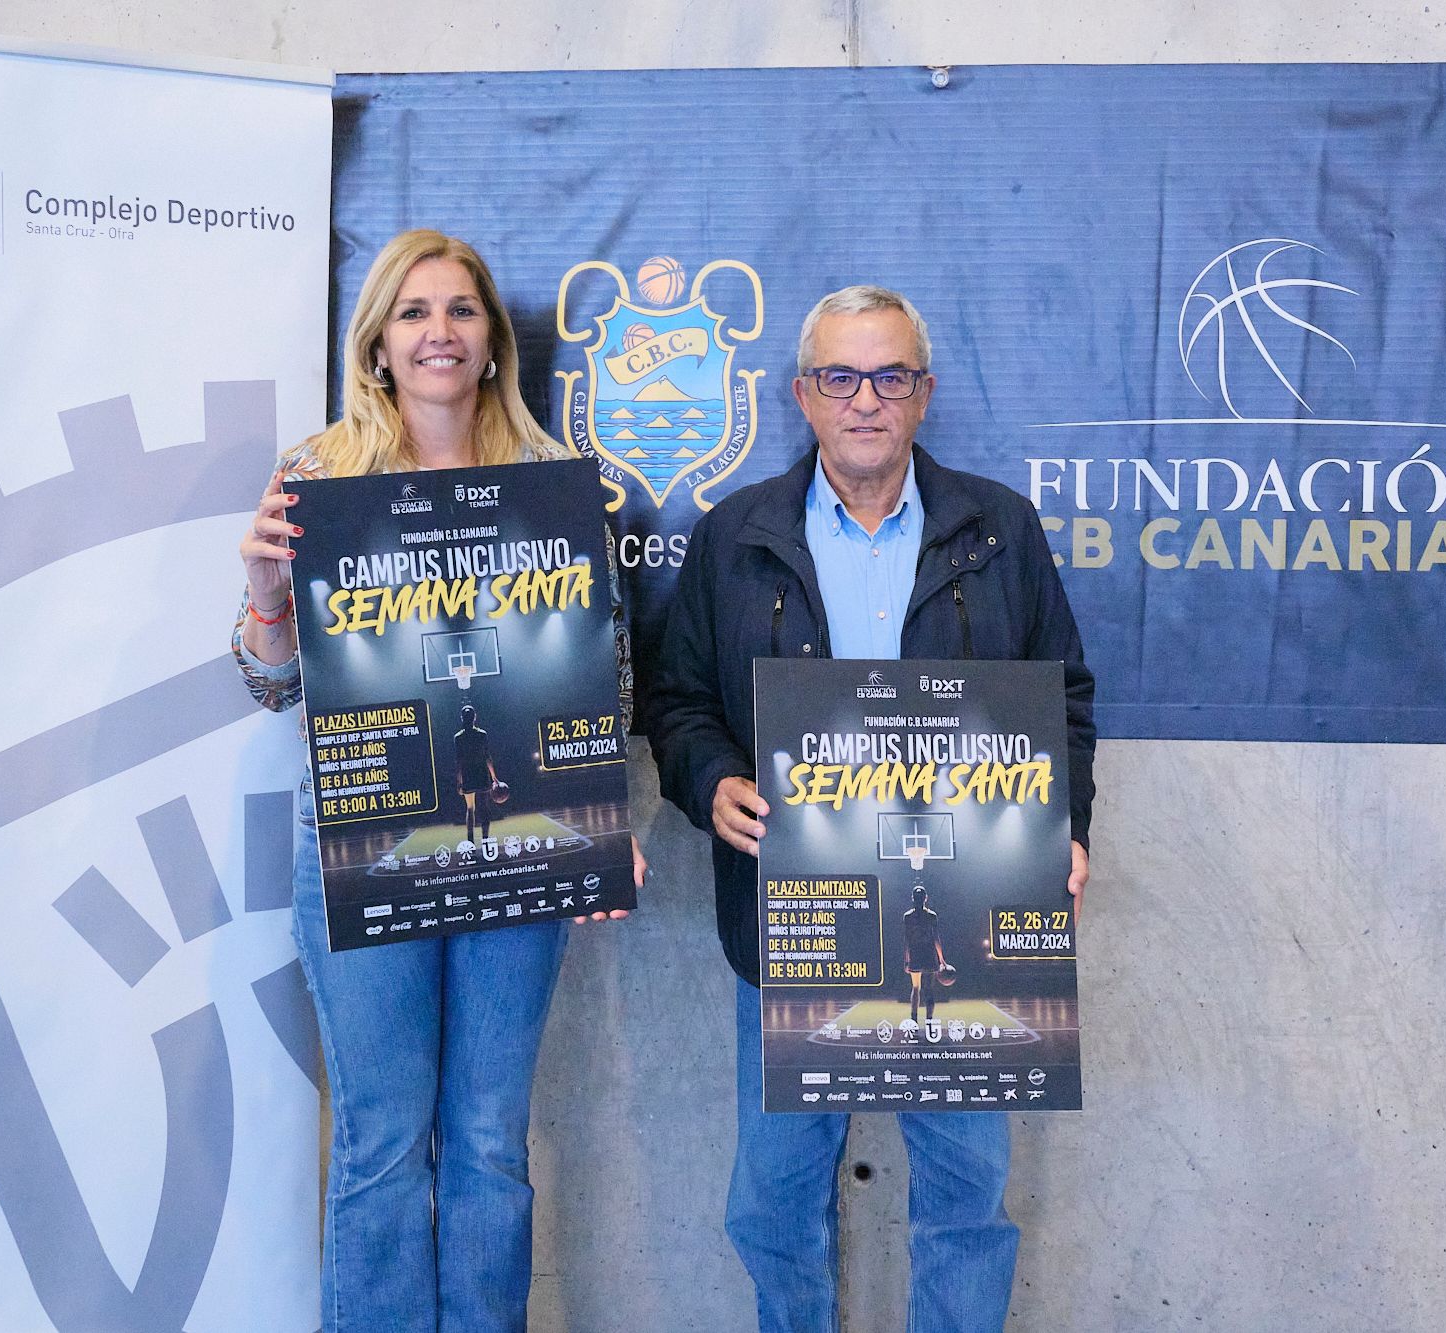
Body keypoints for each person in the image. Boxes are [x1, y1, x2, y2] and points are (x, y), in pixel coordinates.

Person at [647, 284, 1096, 1333]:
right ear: (802, 394)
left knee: (967, 1199)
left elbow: (1063, 698)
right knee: (773, 1205)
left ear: (923, 394)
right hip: (794, 910)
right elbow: (676, 700)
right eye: (841, 376)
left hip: (968, 912)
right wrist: (711, 780)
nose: (865, 399)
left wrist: (1065, 827)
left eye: (889, 377)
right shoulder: (734, 535)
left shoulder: (999, 528)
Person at [233, 228, 641, 1333]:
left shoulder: (553, 485)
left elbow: (602, 678)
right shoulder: (319, 479)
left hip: (522, 841)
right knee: (380, 1138)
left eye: (460, 310)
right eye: (412, 312)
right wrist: (268, 596)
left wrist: (601, 825)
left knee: (489, 1137)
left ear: (493, 341)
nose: (438, 332)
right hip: (361, 840)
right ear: (376, 343)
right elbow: (271, 684)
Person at [454, 702, 499, 844]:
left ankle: (470, 841)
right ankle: (485, 839)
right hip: (481, 775)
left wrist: (459, 781)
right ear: (475, 717)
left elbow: (459, 761)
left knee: (470, 808)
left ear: (462, 718)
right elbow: (487, 757)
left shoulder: (459, 737)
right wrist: (494, 776)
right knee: (484, 809)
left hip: (468, 776)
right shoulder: (481, 734)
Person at [902, 884, 946, 1023]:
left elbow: (907, 940)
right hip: (928, 956)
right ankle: (929, 1020)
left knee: (916, 988)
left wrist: (906, 960)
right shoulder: (931, 916)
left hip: (915, 955)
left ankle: (914, 1019)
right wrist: (941, 958)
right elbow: (936, 938)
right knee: (929, 989)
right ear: (925, 898)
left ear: (913, 898)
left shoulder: (908, 916)